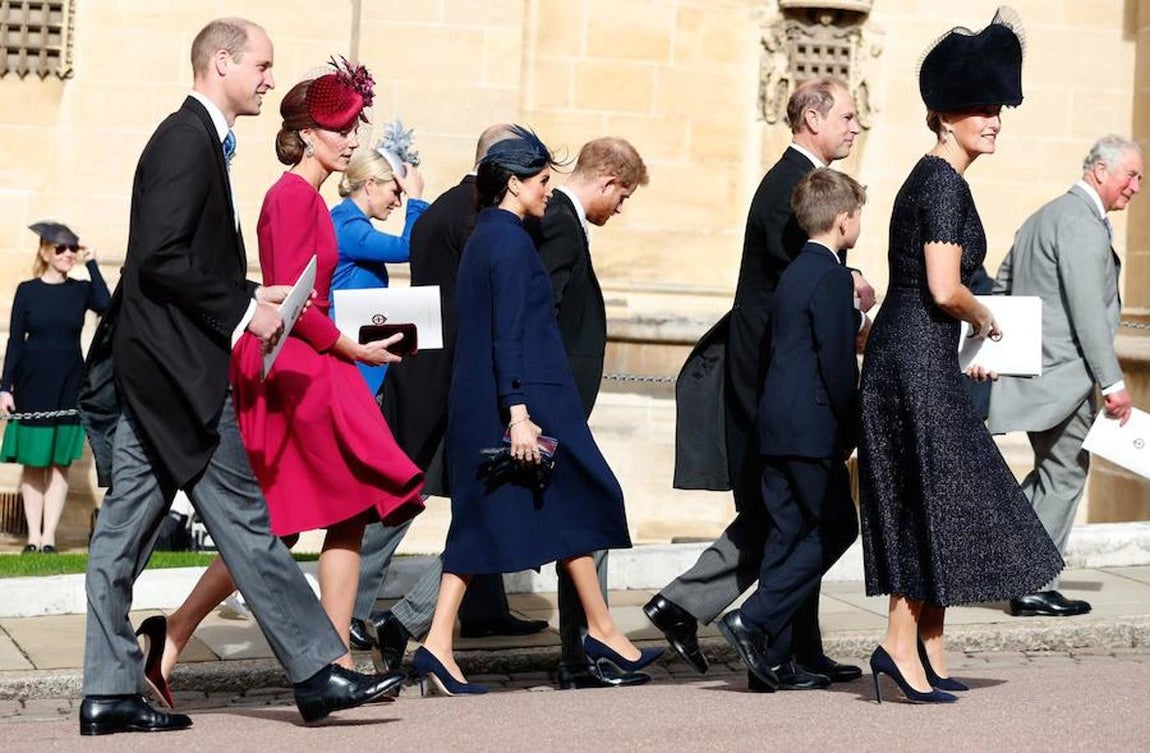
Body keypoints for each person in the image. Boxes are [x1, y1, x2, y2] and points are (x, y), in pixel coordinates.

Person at [78, 20, 400, 735]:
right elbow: (159, 258)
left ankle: (108, 691)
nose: (269, 80)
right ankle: (318, 670)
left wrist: (251, 292)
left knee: (123, 538)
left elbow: (180, 260)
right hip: (178, 378)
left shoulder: (196, 140)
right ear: (220, 62)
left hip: (162, 375)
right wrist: (247, 309)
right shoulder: (183, 140)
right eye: (261, 66)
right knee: (248, 525)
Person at [154, 57, 426, 701]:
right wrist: (349, 348)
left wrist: (348, 347)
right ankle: (172, 635)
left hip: (320, 364)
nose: (352, 141)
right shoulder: (288, 198)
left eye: (355, 128)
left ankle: (336, 660)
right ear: (307, 134)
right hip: (293, 370)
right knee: (275, 524)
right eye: (341, 129)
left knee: (350, 509)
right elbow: (288, 302)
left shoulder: (311, 198)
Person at [857, 8, 1063, 704]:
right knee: (936, 498)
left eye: (998, 107)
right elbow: (945, 289)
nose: (995, 119)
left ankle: (927, 647)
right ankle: (897, 646)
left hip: (915, 355)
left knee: (935, 496)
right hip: (915, 359)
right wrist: (986, 319)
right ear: (945, 117)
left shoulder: (934, 178)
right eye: (982, 108)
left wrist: (968, 334)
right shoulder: (943, 183)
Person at [412, 126, 661, 696]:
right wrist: (519, 413)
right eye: (543, 180)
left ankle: (596, 630)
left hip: (508, 397)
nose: (550, 190)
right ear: (514, 183)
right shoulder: (506, 242)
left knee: (544, 511)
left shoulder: (494, 234)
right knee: (564, 502)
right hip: (521, 402)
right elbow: (507, 332)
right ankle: (442, 643)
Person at [649, 77, 873, 689]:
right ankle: (761, 637)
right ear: (812, 119)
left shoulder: (799, 185)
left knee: (793, 523)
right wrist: (852, 302)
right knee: (796, 522)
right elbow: (801, 290)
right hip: (777, 390)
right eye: (847, 116)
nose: (856, 126)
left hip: (782, 390)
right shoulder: (786, 189)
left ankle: (790, 648)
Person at [347, 126, 549, 672]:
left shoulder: (439, 210)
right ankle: (353, 609)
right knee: (406, 493)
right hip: (455, 372)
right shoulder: (484, 218)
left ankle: (484, 608)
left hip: (426, 367)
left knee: (470, 491)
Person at [718, 168, 865, 692]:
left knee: (786, 537)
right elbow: (836, 362)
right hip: (811, 428)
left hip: (776, 425)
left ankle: (771, 662)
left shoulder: (795, 272)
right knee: (836, 527)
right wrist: (852, 424)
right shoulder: (831, 277)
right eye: (858, 216)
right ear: (843, 220)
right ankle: (753, 619)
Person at [989, 135, 1142, 617]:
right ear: (1100, 171)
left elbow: (1002, 288)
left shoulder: (1042, 217)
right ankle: (1032, 582)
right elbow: (1088, 314)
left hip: (1033, 375)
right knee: (1066, 473)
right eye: (1131, 175)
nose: (1136, 187)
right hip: (1064, 378)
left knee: (1054, 471)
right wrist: (1113, 384)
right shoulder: (1080, 222)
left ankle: (1006, 552)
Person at [525, 136, 651, 689]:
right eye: (622, 197)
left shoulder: (563, 220)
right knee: (590, 512)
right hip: (553, 403)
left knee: (511, 519)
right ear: (607, 182)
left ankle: (582, 653)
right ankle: (586, 648)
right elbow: (542, 314)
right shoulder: (559, 222)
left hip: (556, 401)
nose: (619, 209)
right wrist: (542, 404)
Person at [1, 222, 110, 554]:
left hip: (69, 382)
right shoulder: (27, 290)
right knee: (34, 462)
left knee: (60, 462)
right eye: (60, 248)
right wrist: (5, 388)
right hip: (31, 382)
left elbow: (107, 306)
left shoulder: (80, 290)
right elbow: (15, 341)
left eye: (72, 249)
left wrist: (92, 262)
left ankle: (49, 537)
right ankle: (33, 537)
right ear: (46, 252)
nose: (67, 254)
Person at [330, 141, 428, 394]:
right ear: (371, 185)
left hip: (356, 344)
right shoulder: (350, 228)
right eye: (395, 192)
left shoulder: (348, 221)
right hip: (347, 352)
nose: (397, 202)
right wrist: (415, 200)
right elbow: (409, 248)